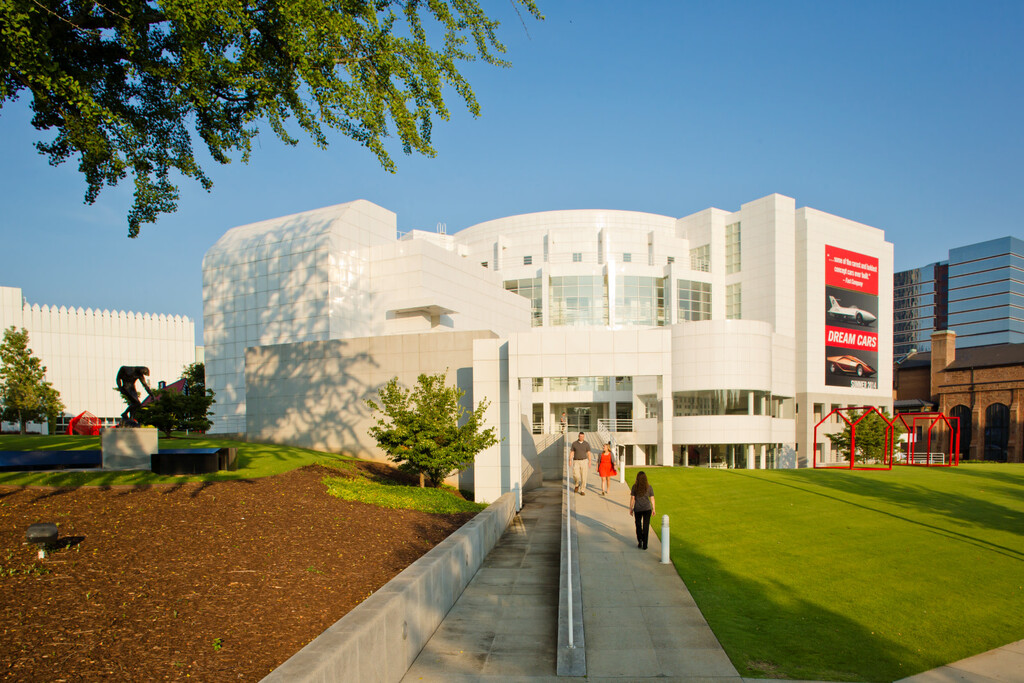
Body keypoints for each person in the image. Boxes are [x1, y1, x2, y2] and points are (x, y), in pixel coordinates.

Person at [629, 471, 655, 549]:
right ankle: (645, 544)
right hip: (647, 509)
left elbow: (632, 498)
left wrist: (631, 508)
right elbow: (652, 498)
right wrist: (653, 508)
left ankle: (640, 539)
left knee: (638, 525)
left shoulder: (634, 487)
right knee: (646, 526)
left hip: (638, 509)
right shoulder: (649, 487)